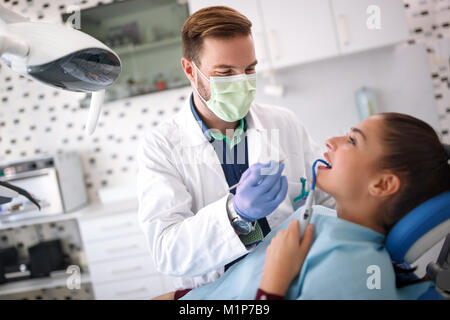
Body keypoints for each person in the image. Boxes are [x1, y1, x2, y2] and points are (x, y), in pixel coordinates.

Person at [137, 6, 334, 290]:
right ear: (190, 70)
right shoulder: (161, 146)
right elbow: (168, 252)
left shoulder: (283, 122)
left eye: (250, 69)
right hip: (221, 295)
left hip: (296, 284)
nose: (241, 81)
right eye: (225, 72)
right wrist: (237, 214)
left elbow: (327, 202)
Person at [154, 112, 450, 299]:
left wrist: (274, 284)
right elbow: (236, 285)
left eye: (352, 140)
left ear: (383, 185)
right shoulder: (318, 216)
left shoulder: (359, 272)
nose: (331, 141)